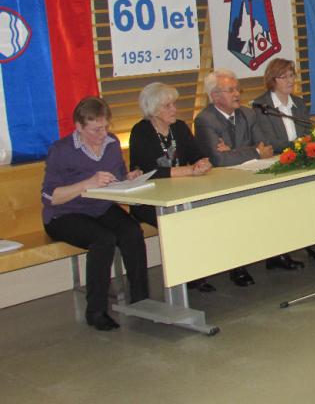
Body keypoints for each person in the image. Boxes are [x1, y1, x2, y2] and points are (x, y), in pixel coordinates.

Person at [41, 97, 149, 330]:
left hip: (100, 207)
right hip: (65, 213)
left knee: (131, 231)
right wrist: (87, 183)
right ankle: (96, 311)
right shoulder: (61, 150)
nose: (103, 134)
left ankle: (142, 300)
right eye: (95, 129)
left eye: (106, 127)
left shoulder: (111, 144)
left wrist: (128, 178)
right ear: (79, 127)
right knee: (103, 239)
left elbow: (117, 177)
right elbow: (50, 197)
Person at [194, 69, 283, 286]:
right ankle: (237, 266)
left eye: (238, 89)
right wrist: (252, 151)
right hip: (220, 184)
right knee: (236, 211)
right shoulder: (205, 120)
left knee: (276, 200)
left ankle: (276, 253)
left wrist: (233, 151)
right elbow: (218, 160)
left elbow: (266, 148)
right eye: (231, 90)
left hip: (250, 176)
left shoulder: (248, 114)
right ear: (215, 96)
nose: (237, 94)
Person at [128, 82, 215, 292]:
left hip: (181, 192)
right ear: (153, 109)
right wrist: (189, 170)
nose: (174, 109)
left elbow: (198, 155)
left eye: (174, 104)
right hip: (150, 200)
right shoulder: (141, 131)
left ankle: (198, 269)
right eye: (167, 106)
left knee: (206, 212)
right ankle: (184, 275)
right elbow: (150, 172)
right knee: (178, 219)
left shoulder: (180, 128)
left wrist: (203, 163)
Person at [252, 58, 315, 264]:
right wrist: (299, 146)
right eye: (283, 77)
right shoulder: (260, 106)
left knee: (308, 201)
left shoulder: (299, 103)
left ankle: (312, 241)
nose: (290, 80)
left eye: (292, 75)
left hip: (300, 161)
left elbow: (308, 133)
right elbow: (269, 142)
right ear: (272, 80)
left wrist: (305, 146)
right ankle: (279, 251)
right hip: (276, 164)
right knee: (284, 208)